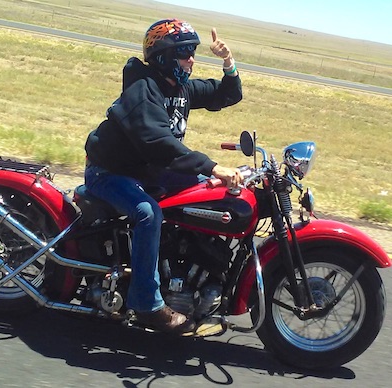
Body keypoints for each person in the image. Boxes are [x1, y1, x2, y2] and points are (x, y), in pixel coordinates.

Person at [84, 19, 243, 334]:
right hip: (110, 172)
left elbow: (226, 94)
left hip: (148, 170)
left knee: (210, 196)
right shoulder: (143, 89)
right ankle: (147, 302)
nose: (192, 60)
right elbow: (156, 141)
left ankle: (192, 271)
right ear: (164, 56)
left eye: (193, 52)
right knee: (148, 213)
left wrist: (228, 62)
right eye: (185, 52)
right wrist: (212, 166)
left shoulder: (179, 86)